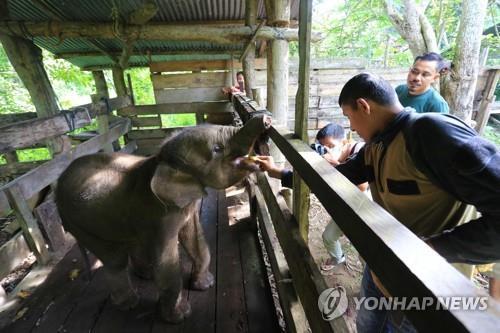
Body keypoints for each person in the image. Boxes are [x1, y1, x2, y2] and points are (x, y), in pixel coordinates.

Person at [258, 73, 500, 332]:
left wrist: (424, 253)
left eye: (350, 117)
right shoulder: (376, 146)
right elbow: (337, 177)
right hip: (383, 262)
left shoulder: (431, 133)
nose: (351, 128)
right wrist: (282, 174)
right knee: (368, 325)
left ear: (364, 106)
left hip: (430, 282)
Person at [311, 123, 368, 270]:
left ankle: (372, 282)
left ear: (344, 142)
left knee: (367, 251)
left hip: (366, 209)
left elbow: (362, 187)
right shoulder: (342, 156)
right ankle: (338, 258)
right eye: (325, 147)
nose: (328, 150)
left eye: (331, 145)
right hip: (349, 205)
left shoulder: (361, 151)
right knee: (328, 236)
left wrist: (335, 165)